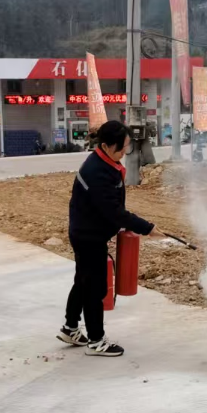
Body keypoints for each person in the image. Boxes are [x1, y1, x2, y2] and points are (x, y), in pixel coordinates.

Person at [60, 120, 162, 357]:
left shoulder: (104, 163)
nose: (124, 152)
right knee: (95, 289)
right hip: (89, 237)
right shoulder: (96, 172)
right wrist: (147, 228)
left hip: (87, 231)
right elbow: (114, 211)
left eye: (127, 147)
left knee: (83, 282)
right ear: (106, 146)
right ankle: (96, 341)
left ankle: (70, 328)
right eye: (121, 148)